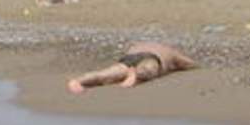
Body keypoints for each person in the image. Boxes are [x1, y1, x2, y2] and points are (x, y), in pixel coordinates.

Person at [67, 40, 197, 93]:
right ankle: (136, 75)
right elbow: (189, 64)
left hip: (129, 58)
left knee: (105, 74)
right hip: (150, 57)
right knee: (148, 70)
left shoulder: (139, 45)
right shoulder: (170, 52)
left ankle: (78, 81)